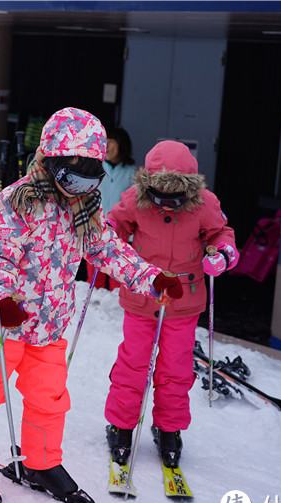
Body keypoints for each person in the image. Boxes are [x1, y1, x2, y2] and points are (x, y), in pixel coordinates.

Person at [0, 108, 183, 503]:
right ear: (51, 161)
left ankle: (41, 462)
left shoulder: (85, 210)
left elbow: (109, 250)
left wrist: (152, 278)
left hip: (50, 326)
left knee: (50, 397)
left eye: (90, 171)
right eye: (73, 170)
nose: (80, 181)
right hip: (2, 323)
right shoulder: (16, 201)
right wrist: (2, 303)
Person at [104, 140, 239, 470]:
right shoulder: (135, 199)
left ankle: (169, 430)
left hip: (183, 300)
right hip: (143, 295)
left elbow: (222, 234)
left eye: (175, 198)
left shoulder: (205, 203)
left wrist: (221, 255)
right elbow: (115, 224)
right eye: (159, 196)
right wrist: (107, 235)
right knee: (133, 364)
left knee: (175, 370)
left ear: (189, 190)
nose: (166, 204)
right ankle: (121, 425)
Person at [88, 126, 136, 291]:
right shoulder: (94, 167)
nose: (106, 146)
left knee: (117, 283)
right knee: (94, 283)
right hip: (95, 231)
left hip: (121, 235)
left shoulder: (133, 173)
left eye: (110, 142)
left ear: (121, 144)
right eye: (104, 142)